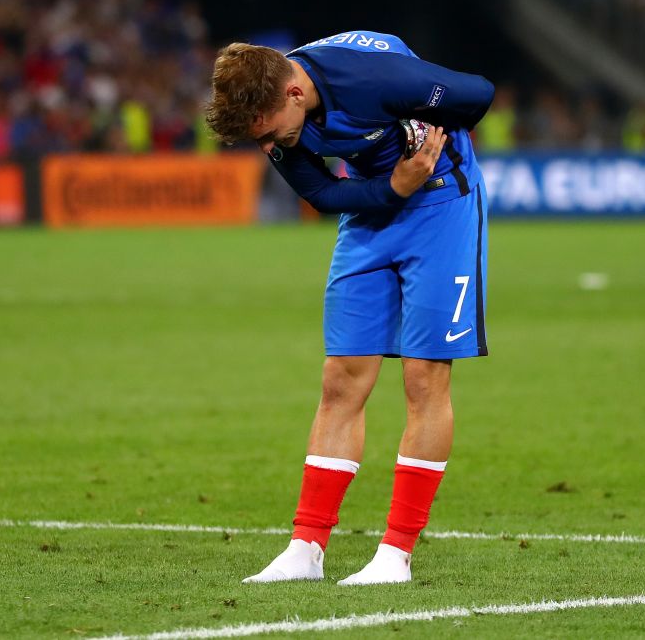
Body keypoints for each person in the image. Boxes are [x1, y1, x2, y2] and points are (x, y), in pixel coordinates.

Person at [205, 31, 494, 586]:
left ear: (293, 93)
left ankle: (395, 555)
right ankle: (306, 549)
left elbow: (477, 93)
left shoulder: (372, 82)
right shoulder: (274, 116)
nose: (265, 144)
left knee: (424, 379)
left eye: (265, 130)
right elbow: (323, 195)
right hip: (373, 207)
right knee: (340, 379)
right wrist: (393, 185)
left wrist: (429, 127)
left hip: (441, 206)